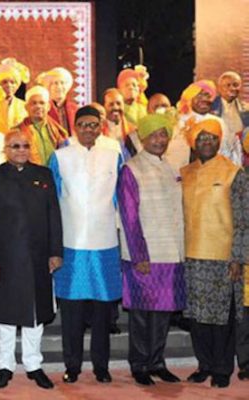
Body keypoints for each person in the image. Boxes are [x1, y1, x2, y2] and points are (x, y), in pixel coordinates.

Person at [0, 128, 62, 390]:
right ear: (5, 149)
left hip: (38, 256)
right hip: (5, 257)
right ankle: (5, 366)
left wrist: (56, 251)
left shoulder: (43, 175)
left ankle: (33, 365)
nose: (21, 150)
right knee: (5, 315)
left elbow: (54, 217)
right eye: (15, 146)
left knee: (36, 314)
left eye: (25, 145)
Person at [49, 106, 122, 384]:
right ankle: (73, 365)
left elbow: (120, 200)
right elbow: (52, 203)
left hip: (105, 242)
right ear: (75, 127)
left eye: (93, 125)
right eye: (83, 125)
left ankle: (101, 366)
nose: (88, 130)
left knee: (103, 311)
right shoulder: (60, 157)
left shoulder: (114, 156)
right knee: (72, 310)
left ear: (101, 126)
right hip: (71, 243)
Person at [117, 113, 186, 386]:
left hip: (171, 252)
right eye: (154, 135)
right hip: (145, 255)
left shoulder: (171, 166)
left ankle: (157, 361)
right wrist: (139, 255)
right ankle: (139, 364)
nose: (159, 140)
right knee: (143, 313)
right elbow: (130, 216)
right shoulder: (132, 169)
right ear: (142, 138)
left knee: (163, 312)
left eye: (163, 135)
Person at [181, 118, 247, 388]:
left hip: (223, 258)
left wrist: (238, 258)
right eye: (201, 138)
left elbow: (244, 219)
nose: (206, 142)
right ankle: (204, 364)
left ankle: (222, 369)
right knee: (197, 317)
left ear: (220, 140)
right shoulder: (185, 173)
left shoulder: (234, 172)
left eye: (211, 137)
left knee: (222, 318)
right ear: (193, 143)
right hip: (191, 257)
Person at [14, 85, 68, 166]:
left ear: (48, 107)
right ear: (26, 107)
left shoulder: (59, 131)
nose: (38, 106)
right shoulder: (17, 132)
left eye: (42, 103)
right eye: (33, 103)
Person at [0, 58, 30, 133]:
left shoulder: (25, 106)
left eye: (12, 82)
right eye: (4, 82)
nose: (9, 85)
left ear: (17, 86)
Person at [35, 67, 78, 135]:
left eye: (62, 83)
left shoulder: (75, 108)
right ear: (49, 86)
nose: (59, 87)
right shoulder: (42, 108)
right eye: (55, 83)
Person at [102, 88, 137, 160]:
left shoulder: (133, 130)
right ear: (104, 106)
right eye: (111, 104)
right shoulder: (99, 132)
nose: (115, 107)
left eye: (118, 103)